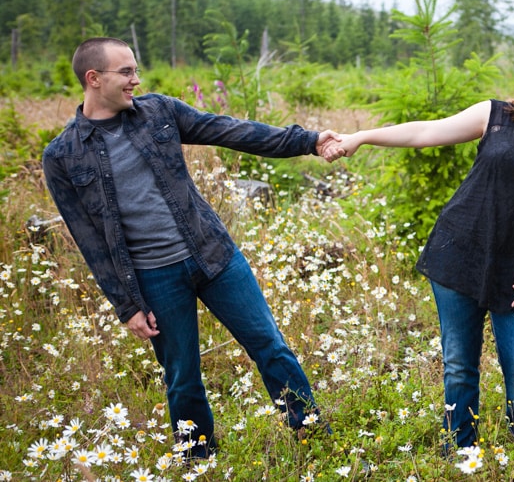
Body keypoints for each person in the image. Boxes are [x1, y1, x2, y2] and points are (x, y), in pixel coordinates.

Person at [42, 37, 344, 458]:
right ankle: (199, 458)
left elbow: (231, 130)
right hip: (154, 278)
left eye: (136, 70)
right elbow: (89, 240)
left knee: (269, 345)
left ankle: (312, 434)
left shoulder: (160, 112)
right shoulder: (62, 155)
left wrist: (307, 140)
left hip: (214, 257)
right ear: (94, 79)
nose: (136, 79)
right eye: (126, 72)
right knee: (182, 375)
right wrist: (126, 305)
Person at [334, 47, 514, 450]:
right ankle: (460, 445)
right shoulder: (495, 117)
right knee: (459, 363)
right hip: (459, 252)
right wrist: (363, 137)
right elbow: (425, 132)